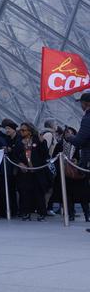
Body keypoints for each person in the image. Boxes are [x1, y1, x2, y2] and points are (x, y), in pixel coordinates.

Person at [11, 122, 50, 221]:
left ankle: (42, 213)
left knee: (39, 193)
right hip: (25, 172)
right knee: (25, 192)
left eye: (23, 130)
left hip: (37, 171)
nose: (21, 132)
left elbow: (45, 155)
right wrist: (20, 163)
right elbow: (14, 155)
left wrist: (42, 143)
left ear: (30, 131)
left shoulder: (37, 140)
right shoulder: (19, 142)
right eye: (20, 130)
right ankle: (26, 212)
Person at [65, 93, 90, 234]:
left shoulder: (87, 118)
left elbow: (79, 140)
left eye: (81, 102)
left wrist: (69, 137)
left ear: (86, 103)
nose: (80, 105)